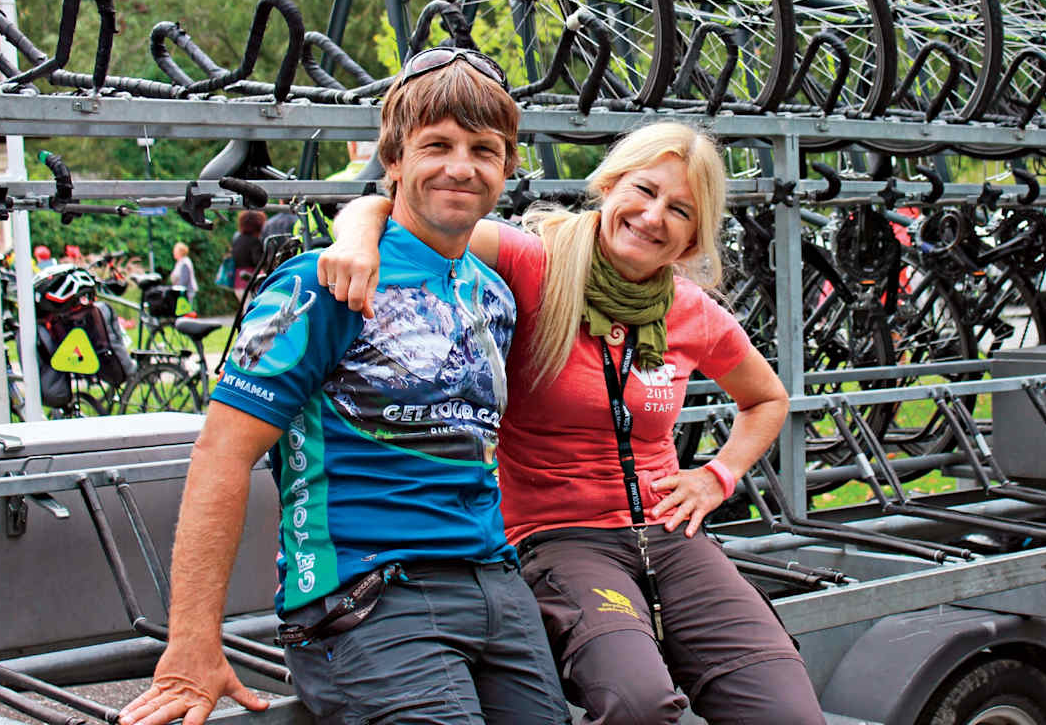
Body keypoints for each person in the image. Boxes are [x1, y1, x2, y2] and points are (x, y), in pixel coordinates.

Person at [318, 122, 827, 725]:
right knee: (637, 703)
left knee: (785, 709)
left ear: (693, 238)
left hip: (669, 535)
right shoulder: (536, 262)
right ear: (609, 187)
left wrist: (717, 477)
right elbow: (412, 213)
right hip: (558, 537)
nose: (654, 216)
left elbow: (767, 399)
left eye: (680, 210)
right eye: (643, 190)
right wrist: (354, 239)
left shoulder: (692, 312)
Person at [119, 47, 569, 725]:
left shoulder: (492, 294)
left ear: (507, 168)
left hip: (495, 585)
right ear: (393, 160)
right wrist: (191, 645)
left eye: (484, 149)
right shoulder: (320, 284)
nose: (461, 166)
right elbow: (221, 454)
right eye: (437, 145)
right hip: (369, 595)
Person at [230, 209, 265, 302]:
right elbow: (258, 261)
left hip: (238, 281)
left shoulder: (237, 239)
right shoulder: (255, 241)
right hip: (251, 281)